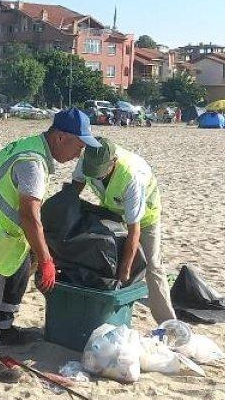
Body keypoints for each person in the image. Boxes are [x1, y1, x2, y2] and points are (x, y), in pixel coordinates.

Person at [0, 108, 98, 382]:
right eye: (79, 146)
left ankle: (5, 329)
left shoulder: (34, 147)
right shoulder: (32, 163)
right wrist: (47, 260)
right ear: (60, 137)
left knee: (21, 265)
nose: (79, 154)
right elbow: (30, 216)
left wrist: (39, 254)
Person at [72, 138, 172, 324]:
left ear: (113, 162)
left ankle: (167, 322)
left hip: (144, 218)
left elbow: (134, 231)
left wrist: (125, 271)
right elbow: (75, 186)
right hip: (113, 210)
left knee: (152, 266)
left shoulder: (132, 177)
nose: (96, 177)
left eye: (100, 173)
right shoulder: (88, 159)